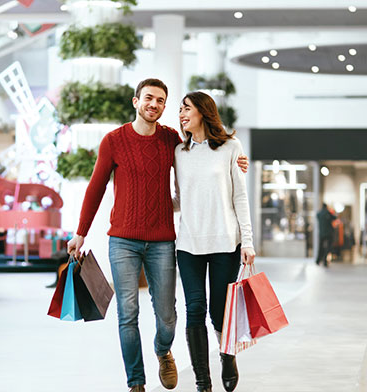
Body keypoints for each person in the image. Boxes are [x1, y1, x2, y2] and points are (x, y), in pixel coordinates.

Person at [67, 79, 249, 392]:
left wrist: (237, 162)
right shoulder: (114, 140)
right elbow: (95, 188)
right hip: (124, 240)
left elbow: (202, 167)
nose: (155, 104)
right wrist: (81, 233)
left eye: (162, 100)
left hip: (164, 240)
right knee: (128, 313)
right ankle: (137, 382)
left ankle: (163, 350)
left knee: (167, 317)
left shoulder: (171, 142)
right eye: (149, 98)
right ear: (135, 101)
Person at [173, 91, 255, 392]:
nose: (181, 114)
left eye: (187, 109)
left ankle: (227, 356)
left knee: (218, 312)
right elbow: (180, 199)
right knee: (194, 309)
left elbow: (239, 196)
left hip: (225, 242)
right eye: (180, 110)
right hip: (189, 243)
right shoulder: (179, 152)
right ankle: (202, 382)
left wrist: (248, 241)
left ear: (203, 112)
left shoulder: (231, 147)